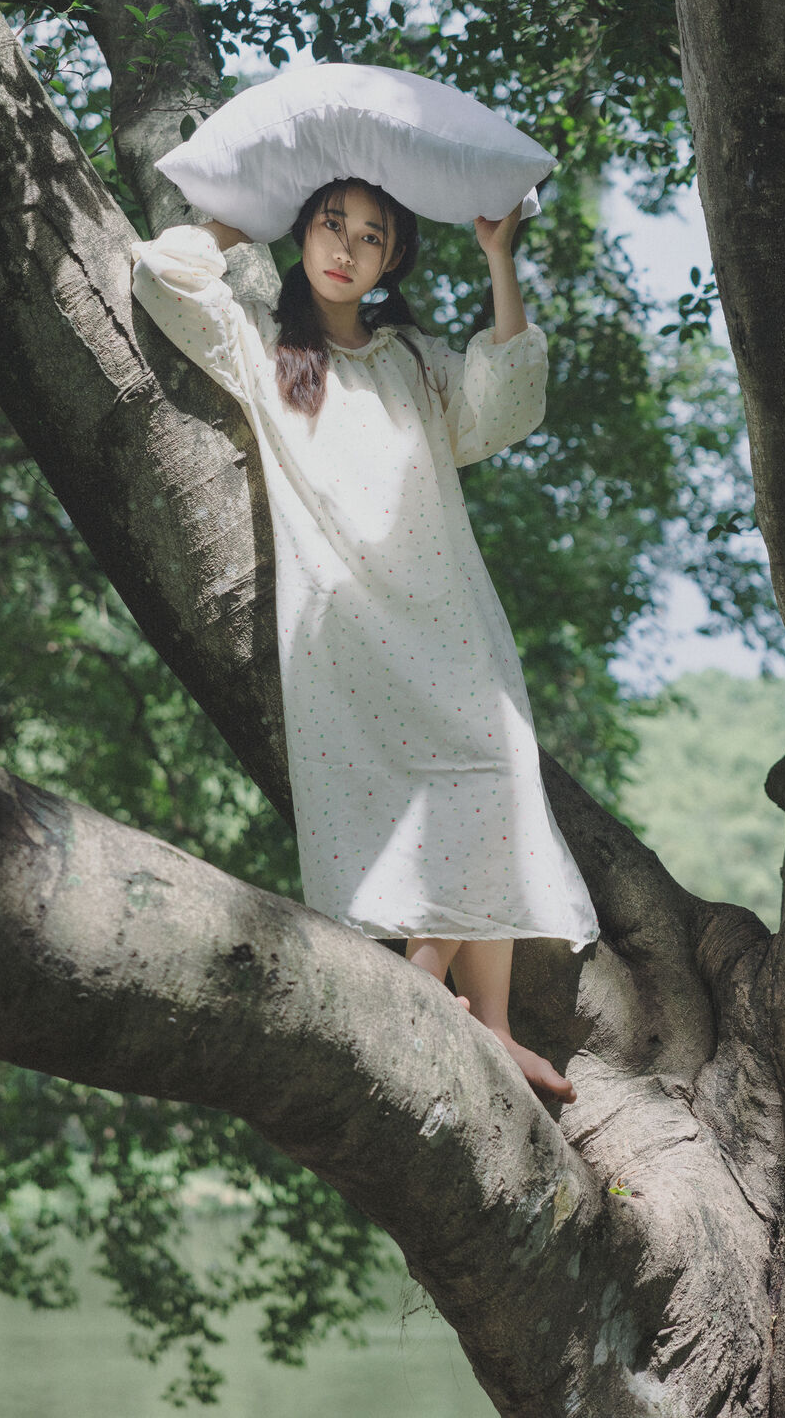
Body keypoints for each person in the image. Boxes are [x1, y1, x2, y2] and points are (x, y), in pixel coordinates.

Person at [131, 178, 599, 1100]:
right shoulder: (260, 344)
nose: (345, 249)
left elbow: (506, 402)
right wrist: (247, 215)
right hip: (344, 626)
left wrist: (500, 258)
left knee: (494, 780)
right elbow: (162, 273)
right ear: (301, 232)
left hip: (449, 617)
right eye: (329, 225)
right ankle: (430, 991)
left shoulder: (412, 361)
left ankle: (484, 1020)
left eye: (372, 237)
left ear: (394, 259)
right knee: (417, 805)